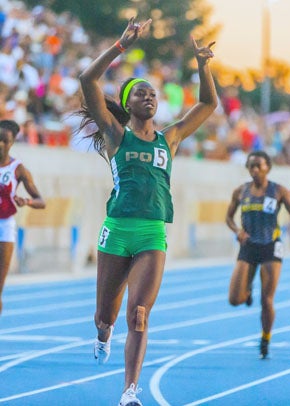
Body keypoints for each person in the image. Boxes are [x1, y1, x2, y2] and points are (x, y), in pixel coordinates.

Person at [78, 17, 217, 406]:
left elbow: (208, 104)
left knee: (139, 313)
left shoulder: (169, 137)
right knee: (106, 314)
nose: (149, 97)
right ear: (127, 104)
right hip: (117, 230)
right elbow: (88, 82)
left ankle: (129, 391)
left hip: (152, 233)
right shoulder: (114, 134)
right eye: (141, 93)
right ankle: (103, 334)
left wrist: (203, 66)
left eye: (153, 93)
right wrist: (120, 45)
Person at [225, 150, 290, 359]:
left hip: (270, 246)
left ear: (268, 167)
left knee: (267, 300)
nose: (254, 170)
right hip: (248, 245)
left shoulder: (279, 191)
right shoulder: (241, 191)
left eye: (258, 165)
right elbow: (228, 218)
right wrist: (237, 231)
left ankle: (265, 338)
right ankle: (246, 292)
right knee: (234, 299)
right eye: (251, 166)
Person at [0, 119, 46, 313]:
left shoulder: (18, 169)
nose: (0, 144)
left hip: (5, 226)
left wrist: (26, 201)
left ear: (12, 142)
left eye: (4, 140)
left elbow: (41, 201)